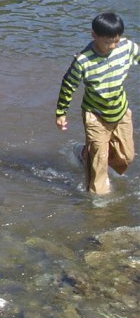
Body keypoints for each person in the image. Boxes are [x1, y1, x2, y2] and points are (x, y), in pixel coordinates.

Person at [56, 12, 138, 195]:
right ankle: (97, 206)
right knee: (99, 167)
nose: (113, 46)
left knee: (126, 157)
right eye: (108, 41)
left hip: (120, 111)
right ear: (94, 35)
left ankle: (86, 154)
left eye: (116, 40)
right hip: (95, 116)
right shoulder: (83, 61)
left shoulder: (127, 47)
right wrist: (61, 113)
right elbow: (68, 85)